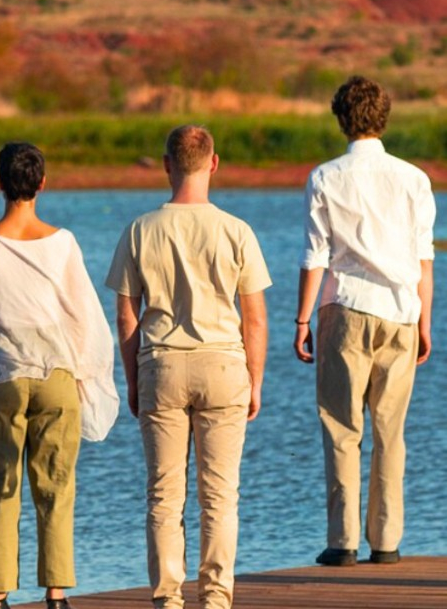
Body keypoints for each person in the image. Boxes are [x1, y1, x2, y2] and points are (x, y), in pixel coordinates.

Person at [106, 126, 270, 609]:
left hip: (162, 364)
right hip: (223, 366)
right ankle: (216, 598)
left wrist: (133, 381)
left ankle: (168, 599)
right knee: (219, 496)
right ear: (213, 163)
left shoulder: (140, 229)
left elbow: (125, 314)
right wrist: (255, 381)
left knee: (164, 494)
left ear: (165, 165)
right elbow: (255, 318)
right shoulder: (236, 230)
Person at [0, 144, 118, 609]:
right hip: (56, 376)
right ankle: (57, 591)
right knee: (56, 484)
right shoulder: (63, 241)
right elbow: (82, 316)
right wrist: (84, 375)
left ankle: (0, 594)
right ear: (42, 183)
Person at [294, 76, 435, 568]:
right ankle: (388, 543)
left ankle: (343, 542)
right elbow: (423, 260)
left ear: (341, 120)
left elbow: (315, 257)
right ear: (384, 117)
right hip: (401, 312)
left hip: (345, 309)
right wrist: (425, 323)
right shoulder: (414, 178)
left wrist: (300, 320)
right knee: (389, 431)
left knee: (341, 427)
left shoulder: (325, 177)